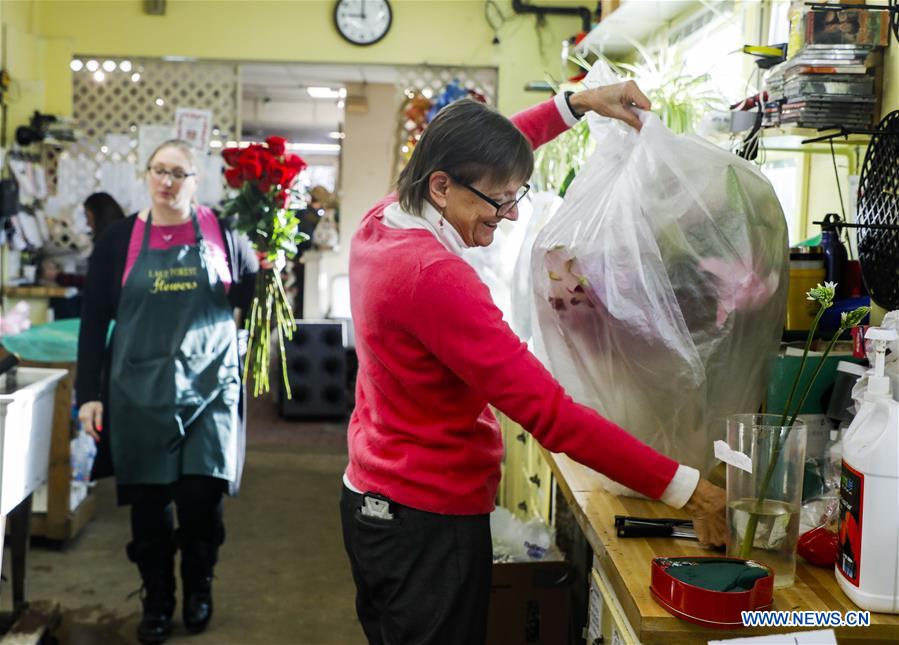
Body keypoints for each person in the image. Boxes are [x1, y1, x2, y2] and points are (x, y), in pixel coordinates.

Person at [340, 83, 728, 645]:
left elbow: (488, 152)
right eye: (500, 200)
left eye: (515, 195)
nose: (513, 215)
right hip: (427, 521)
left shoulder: (384, 221)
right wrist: (691, 491)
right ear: (442, 187)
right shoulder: (436, 280)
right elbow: (552, 416)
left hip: (375, 497)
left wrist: (577, 105)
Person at [76, 139, 258, 645]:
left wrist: (272, 261)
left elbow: (251, 294)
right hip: (138, 391)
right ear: (146, 175)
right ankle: (157, 597)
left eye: (179, 173)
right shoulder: (117, 241)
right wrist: (88, 391)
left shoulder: (225, 232)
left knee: (202, 499)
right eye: (159, 171)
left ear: (196, 181)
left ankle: (199, 586)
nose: (167, 181)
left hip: (210, 388)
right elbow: (93, 322)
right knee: (150, 505)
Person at [43, 192, 126, 289]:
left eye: (88, 216)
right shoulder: (122, 237)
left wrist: (58, 277)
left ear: (99, 216)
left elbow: (96, 282)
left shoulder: (109, 244)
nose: (87, 223)